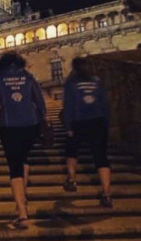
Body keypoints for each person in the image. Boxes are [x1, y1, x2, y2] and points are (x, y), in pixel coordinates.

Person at [0, 52, 46, 230]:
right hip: (31, 123)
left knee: (14, 167)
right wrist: (43, 118)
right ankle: (23, 197)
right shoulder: (27, 75)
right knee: (24, 159)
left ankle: (21, 214)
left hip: (9, 125)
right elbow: (39, 100)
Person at [63, 57, 112, 207]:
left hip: (78, 121)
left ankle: (72, 179)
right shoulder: (96, 81)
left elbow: (68, 106)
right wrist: (106, 124)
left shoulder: (71, 83)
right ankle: (106, 193)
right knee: (101, 158)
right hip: (97, 121)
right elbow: (104, 104)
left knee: (71, 151)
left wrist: (68, 126)